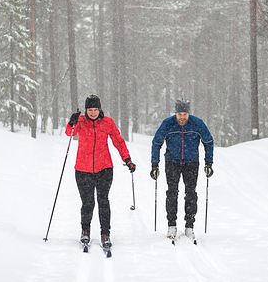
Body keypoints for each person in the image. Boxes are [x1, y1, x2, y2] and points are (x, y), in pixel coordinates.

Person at [66, 94, 136, 248]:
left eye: (95, 109)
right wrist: (72, 121)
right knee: (87, 202)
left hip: (104, 169)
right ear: (86, 110)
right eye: (89, 109)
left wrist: (127, 159)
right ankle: (85, 230)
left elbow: (118, 141)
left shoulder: (107, 123)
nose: (92, 112)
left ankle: (105, 233)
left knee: (103, 201)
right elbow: (69, 133)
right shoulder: (81, 121)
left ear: (99, 109)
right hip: (83, 170)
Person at [150, 99, 214, 241]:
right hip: (172, 162)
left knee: (190, 194)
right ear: (175, 113)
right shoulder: (168, 123)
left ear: (188, 113)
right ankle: (171, 225)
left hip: (191, 163)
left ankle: (189, 226)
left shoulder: (197, 123)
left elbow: (208, 141)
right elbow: (156, 143)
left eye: (185, 114)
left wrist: (208, 163)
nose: (182, 117)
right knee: (172, 193)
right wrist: (155, 164)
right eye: (179, 114)